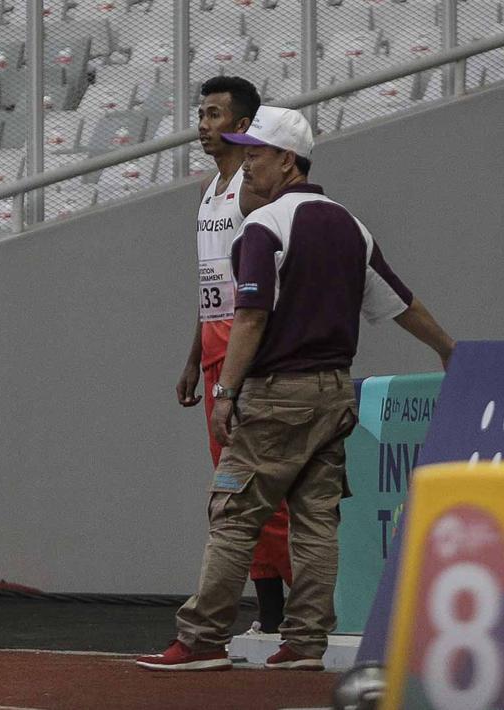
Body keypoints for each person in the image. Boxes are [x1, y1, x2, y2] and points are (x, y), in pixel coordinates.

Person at [138, 106, 454, 672]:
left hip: (274, 396)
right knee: (316, 520)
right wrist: (449, 350)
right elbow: (401, 302)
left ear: (287, 161)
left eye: (255, 155)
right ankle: (306, 643)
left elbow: (251, 318)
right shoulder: (351, 225)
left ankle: (203, 638)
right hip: (335, 395)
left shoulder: (265, 226)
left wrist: (225, 393)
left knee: (234, 514)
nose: (247, 166)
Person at [177, 75, 293, 635]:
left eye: (215, 115)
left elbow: (258, 283)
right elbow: (210, 284)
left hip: (247, 348)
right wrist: (190, 360)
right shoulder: (208, 190)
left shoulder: (252, 192)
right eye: (201, 114)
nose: (203, 125)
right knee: (231, 487)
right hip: (214, 346)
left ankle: (299, 608)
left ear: (244, 126)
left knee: (254, 485)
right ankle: (271, 613)